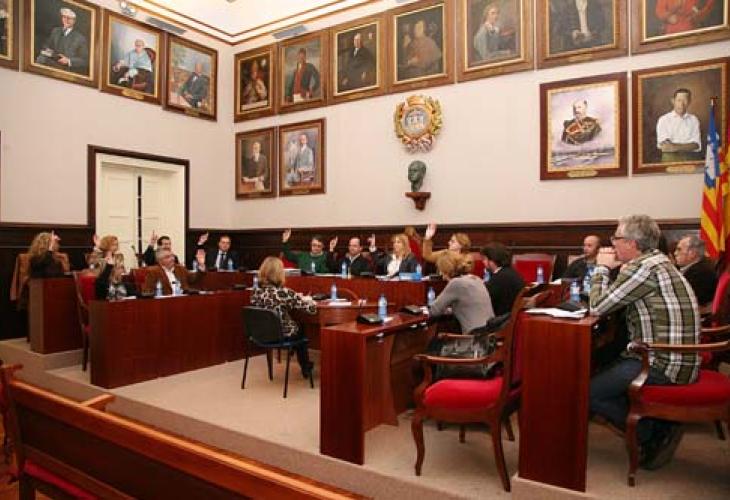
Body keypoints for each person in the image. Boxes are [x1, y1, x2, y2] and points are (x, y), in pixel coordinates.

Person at [589, 215, 700, 470]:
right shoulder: (654, 262)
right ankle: (658, 424)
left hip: (663, 361)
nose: (612, 243)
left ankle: (652, 433)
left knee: (590, 393)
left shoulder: (644, 268)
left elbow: (597, 306)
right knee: (604, 366)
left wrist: (602, 268)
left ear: (632, 243)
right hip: (675, 355)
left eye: (616, 238)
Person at [251, 256, 316, 377]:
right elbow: (311, 310)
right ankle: (305, 366)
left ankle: (300, 357)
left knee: (297, 328)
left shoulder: (256, 291)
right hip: (281, 335)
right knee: (301, 330)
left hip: (261, 334)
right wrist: (309, 300)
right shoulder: (284, 292)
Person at [429, 253, 495, 334]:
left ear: (445, 270)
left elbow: (434, 311)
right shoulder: (476, 279)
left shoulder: (456, 283)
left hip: (475, 336)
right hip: (491, 332)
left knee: (437, 338)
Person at [35, 7, 89, 75]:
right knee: (40, 59)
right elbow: (46, 46)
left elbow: (84, 60)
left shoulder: (80, 38)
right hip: (51, 62)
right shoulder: (55, 31)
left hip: (66, 69)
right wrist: (50, 53)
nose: (66, 20)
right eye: (64, 17)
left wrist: (68, 61)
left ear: (74, 21)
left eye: (69, 18)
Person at [656, 88, 702, 162]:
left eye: (685, 100)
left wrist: (674, 146)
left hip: (690, 159)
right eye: (679, 100)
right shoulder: (664, 119)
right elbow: (666, 147)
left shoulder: (694, 120)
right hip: (670, 159)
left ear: (689, 102)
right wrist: (688, 145)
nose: (682, 104)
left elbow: (696, 145)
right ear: (673, 101)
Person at [481, 242, 525, 316]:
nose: (483, 262)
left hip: (502, 319)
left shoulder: (499, 278)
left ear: (492, 260)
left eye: (484, 259)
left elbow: (485, 300)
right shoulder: (510, 272)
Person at [673, 234, 718, 307]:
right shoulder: (694, 268)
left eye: (679, 249)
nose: (675, 253)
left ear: (692, 253)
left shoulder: (702, 273)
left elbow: (685, 301)